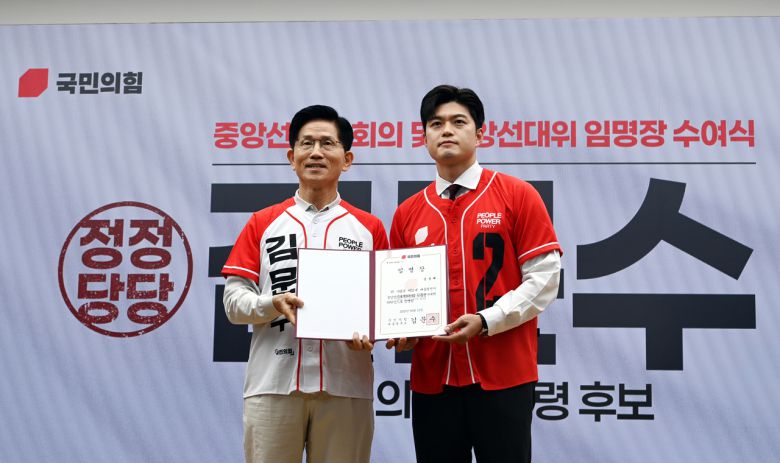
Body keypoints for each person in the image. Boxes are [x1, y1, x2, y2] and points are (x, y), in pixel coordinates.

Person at [387, 85, 562, 462]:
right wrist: (402, 330)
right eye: (436, 124)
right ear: (424, 137)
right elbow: (399, 295)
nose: (446, 130)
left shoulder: (517, 195)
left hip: (504, 375)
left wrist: (486, 320)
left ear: (480, 134)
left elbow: (545, 279)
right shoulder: (407, 213)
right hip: (433, 379)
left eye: (458, 122)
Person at [222, 105, 388, 463]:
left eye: (327, 143)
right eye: (306, 143)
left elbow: (385, 305)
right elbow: (233, 302)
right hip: (273, 384)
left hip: (345, 385)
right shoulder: (263, 222)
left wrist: (374, 331)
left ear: (347, 159)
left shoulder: (369, 228)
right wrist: (270, 304)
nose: (315, 152)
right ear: (291, 157)